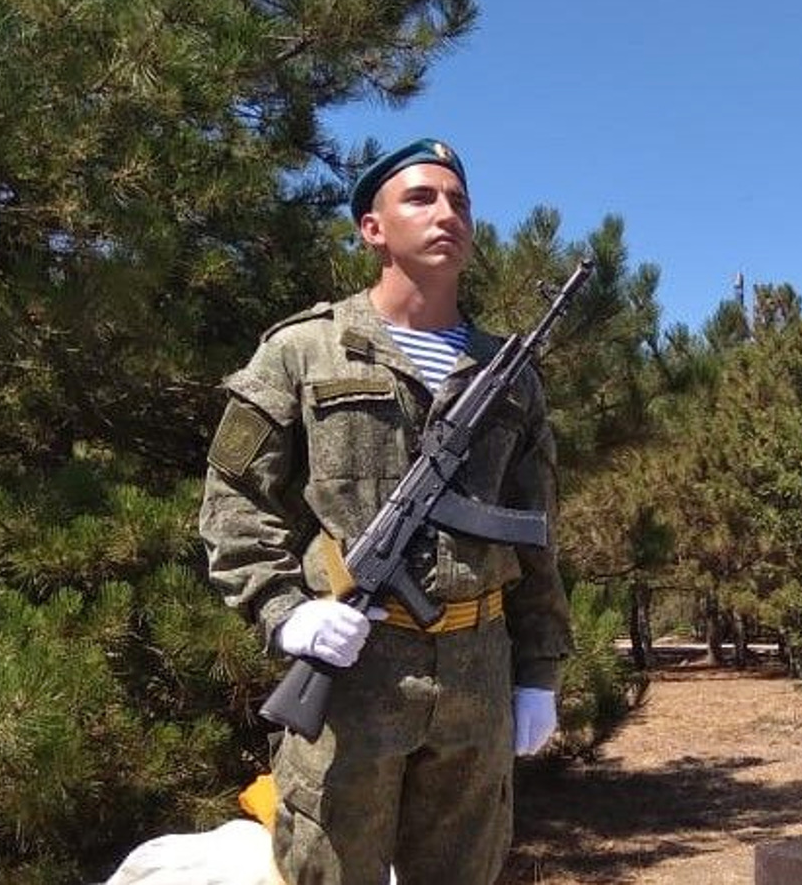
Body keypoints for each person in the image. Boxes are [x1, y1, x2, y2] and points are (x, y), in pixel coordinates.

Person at [198, 138, 571, 884]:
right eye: (422, 198)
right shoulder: (304, 352)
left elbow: (535, 537)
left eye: (459, 201)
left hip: (477, 670)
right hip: (354, 673)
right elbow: (233, 501)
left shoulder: (509, 378)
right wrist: (286, 610)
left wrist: (539, 670)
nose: (448, 214)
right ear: (373, 228)